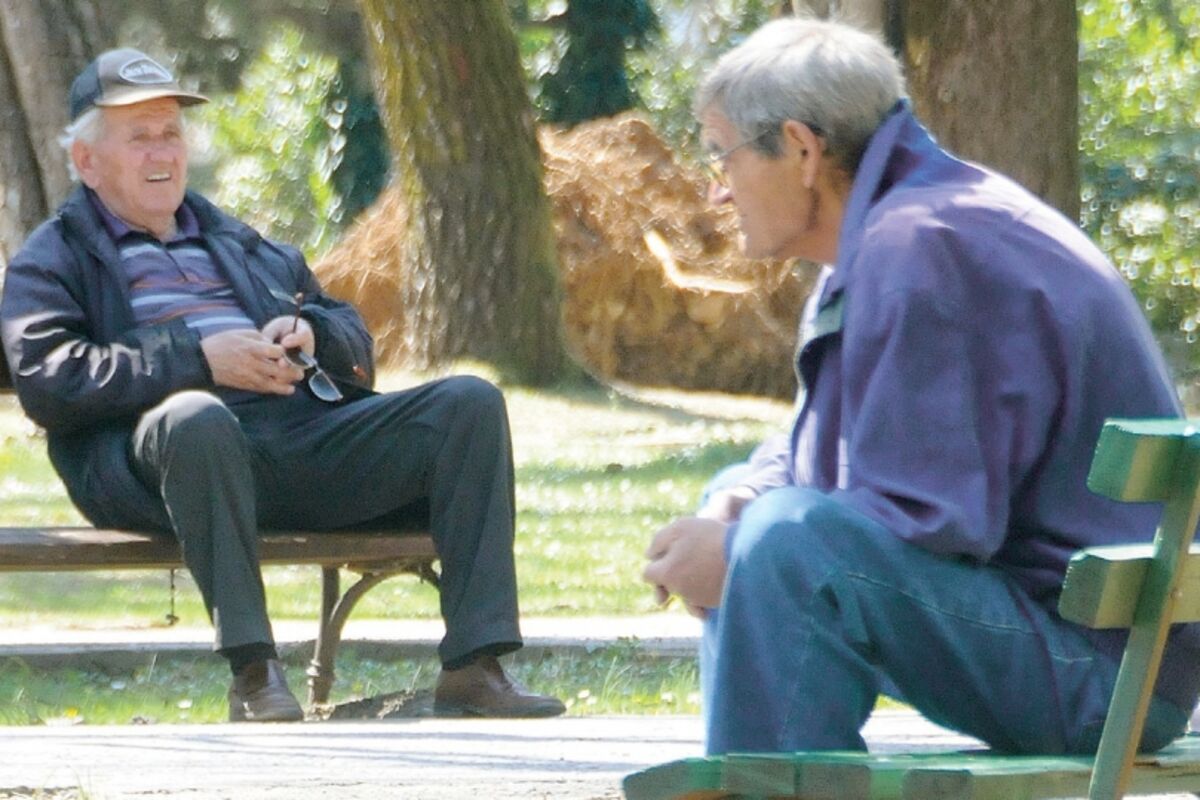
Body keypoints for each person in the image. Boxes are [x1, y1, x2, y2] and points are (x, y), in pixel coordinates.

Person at [643, 17, 1200, 756]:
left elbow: (933, 522)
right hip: (1090, 651)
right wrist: (737, 503)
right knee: (753, 509)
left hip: (1103, 679)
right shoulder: (899, 229)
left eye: (723, 155)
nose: (717, 192)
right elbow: (829, 450)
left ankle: (761, 782)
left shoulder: (922, 250)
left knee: (785, 547)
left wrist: (740, 552)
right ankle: (757, 773)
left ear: (802, 149)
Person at [1, 47, 565, 723]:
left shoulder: (235, 241)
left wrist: (314, 337)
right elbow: (51, 380)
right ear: (87, 161)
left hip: (297, 440)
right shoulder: (52, 260)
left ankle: (476, 667)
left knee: (468, 404)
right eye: (139, 136)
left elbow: (349, 334)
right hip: (165, 459)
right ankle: (254, 674)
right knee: (197, 418)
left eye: (171, 133)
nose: (163, 152)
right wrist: (198, 359)